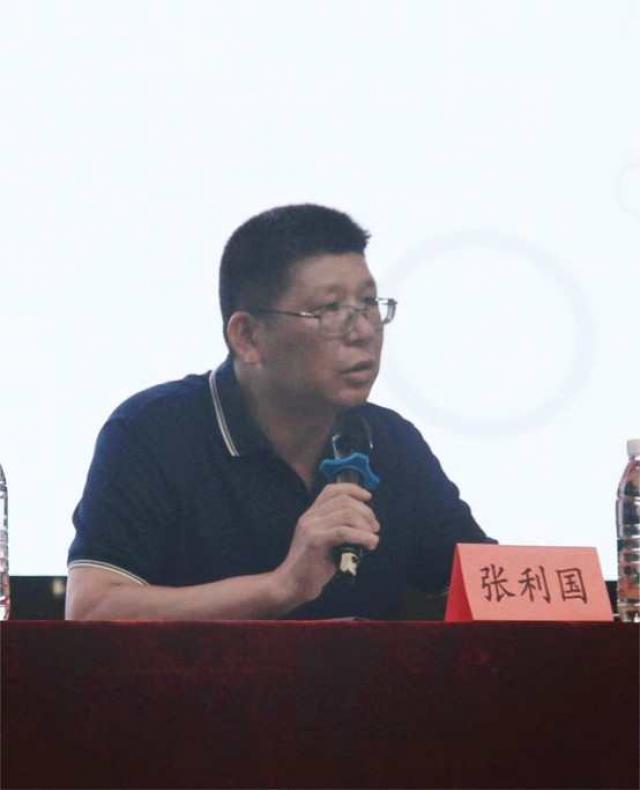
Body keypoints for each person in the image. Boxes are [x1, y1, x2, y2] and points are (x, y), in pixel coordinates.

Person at [65, 204, 494, 620]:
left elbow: (491, 591)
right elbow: (93, 609)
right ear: (248, 337)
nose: (363, 331)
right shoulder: (153, 431)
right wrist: (281, 587)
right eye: (329, 310)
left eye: (368, 303)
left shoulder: (391, 441)